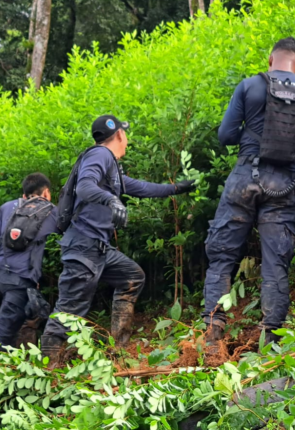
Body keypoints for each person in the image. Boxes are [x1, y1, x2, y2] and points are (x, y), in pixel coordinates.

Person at [204, 37, 295, 347]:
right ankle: (270, 339)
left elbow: (225, 135)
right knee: (276, 261)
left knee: (221, 256)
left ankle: (213, 331)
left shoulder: (250, 86)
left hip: (245, 178)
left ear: (270, 60)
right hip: (285, 186)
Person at [40, 115, 196, 358]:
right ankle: (44, 375)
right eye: (126, 135)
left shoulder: (110, 170)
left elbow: (142, 188)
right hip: (83, 246)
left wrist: (178, 188)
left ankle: (119, 351)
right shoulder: (100, 155)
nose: (127, 141)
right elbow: (84, 186)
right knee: (68, 312)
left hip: (97, 248)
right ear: (120, 135)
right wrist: (111, 199)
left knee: (131, 277)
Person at [0, 173, 59, 349]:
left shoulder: (6, 207)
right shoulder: (50, 211)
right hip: (20, 279)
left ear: (24, 194)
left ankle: (17, 367)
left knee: (22, 320)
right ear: (46, 193)